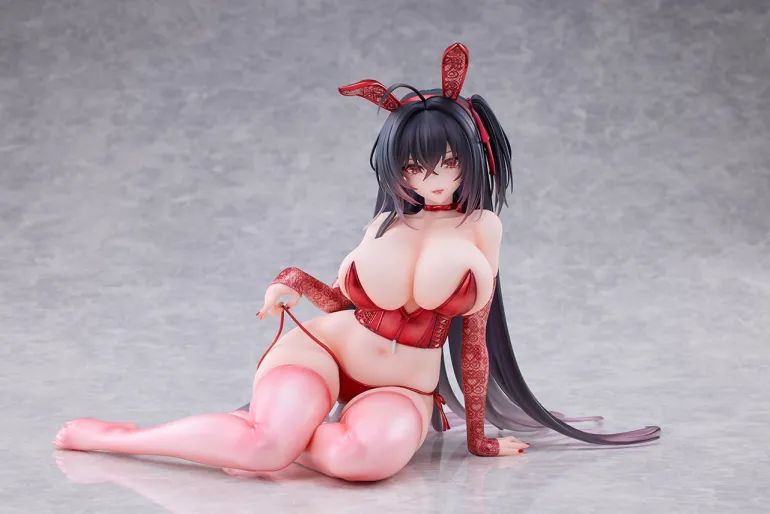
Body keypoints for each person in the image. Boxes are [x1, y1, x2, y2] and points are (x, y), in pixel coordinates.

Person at [53, 43, 661, 482]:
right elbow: (346, 304)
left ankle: (274, 437)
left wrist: (477, 437)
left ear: (472, 157)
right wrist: (292, 281)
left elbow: (474, 338)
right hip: (322, 350)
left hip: (404, 386)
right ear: (397, 169)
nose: (433, 179)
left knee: (362, 463)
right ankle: (121, 439)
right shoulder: (385, 223)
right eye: (415, 167)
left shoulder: (482, 228)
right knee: (265, 448)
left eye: (448, 163)